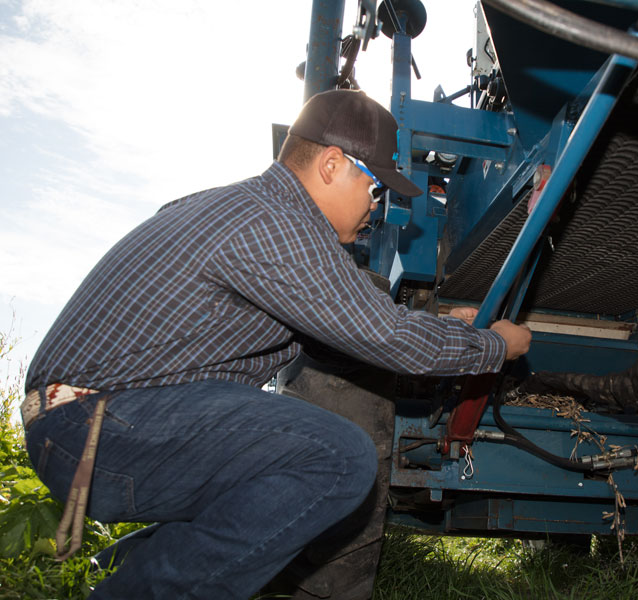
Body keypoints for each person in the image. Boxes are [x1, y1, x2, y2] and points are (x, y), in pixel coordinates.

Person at [22, 89, 532, 599]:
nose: (375, 209)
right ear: (333, 165)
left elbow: (347, 338)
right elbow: (387, 337)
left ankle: (135, 563)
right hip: (97, 425)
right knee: (336, 457)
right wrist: (493, 345)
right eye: (375, 189)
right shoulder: (278, 224)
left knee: (287, 464)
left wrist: (452, 332)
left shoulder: (247, 209)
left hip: (93, 422)